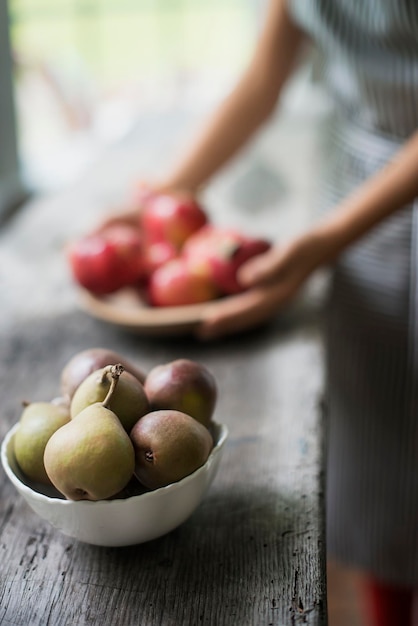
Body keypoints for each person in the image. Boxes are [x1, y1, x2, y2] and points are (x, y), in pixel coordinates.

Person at [107, 2, 418, 623]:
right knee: (378, 441)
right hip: (358, 197)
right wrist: (170, 195)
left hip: (355, 213)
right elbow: (264, 76)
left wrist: (319, 246)